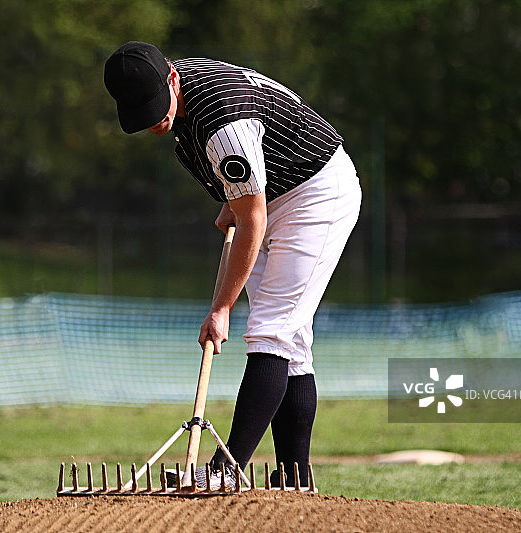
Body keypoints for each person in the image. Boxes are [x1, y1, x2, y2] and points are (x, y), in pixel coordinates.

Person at [104, 41, 361, 489]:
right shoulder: (188, 95)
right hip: (276, 193)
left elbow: (252, 217)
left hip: (316, 193)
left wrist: (220, 309)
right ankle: (294, 480)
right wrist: (234, 199)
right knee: (290, 341)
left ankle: (225, 470)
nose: (153, 120)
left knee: (271, 331)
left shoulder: (222, 122)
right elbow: (246, 200)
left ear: (170, 76)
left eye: (155, 106)